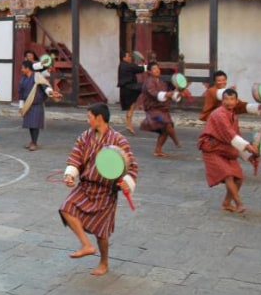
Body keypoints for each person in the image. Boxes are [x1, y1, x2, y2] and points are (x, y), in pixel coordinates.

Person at [60, 103, 138, 276]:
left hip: (106, 191)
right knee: (66, 207)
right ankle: (86, 245)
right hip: (86, 186)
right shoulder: (84, 137)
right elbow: (75, 157)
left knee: (101, 232)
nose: (88, 121)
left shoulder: (118, 140)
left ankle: (104, 262)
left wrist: (127, 181)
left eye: (89, 117)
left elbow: (131, 166)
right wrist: (70, 175)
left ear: (99, 118)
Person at [198, 89, 261, 213]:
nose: (229, 102)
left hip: (227, 149)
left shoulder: (234, 116)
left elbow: (236, 137)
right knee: (228, 175)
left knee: (238, 178)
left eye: (232, 99)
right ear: (222, 100)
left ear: (236, 101)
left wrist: (249, 157)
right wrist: (249, 148)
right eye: (226, 99)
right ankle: (239, 204)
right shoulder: (218, 114)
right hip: (212, 149)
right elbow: (230, 134)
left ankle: (226, 203)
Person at [138, 62, 182, 157]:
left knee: (165, 129)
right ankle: (176, 141)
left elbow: (167, 94)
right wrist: (167, 94)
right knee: (166, 124)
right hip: (153, 111)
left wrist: (174, 94)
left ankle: (158, 150)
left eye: (158, 68)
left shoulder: (162, 83)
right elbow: (153, 93)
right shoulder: (149, 82)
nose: (157, 70)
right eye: (154, 68)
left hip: (162, 110)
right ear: (149, 71)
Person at [19, 60, 59, 151]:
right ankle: (32, 141)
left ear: (27, 68)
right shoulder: (23, 78)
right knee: (30, 124)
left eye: (22, 68)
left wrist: (51, 92)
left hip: (36, 104)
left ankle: (34, 142)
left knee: (35, 124)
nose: (21, 69)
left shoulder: (37, 77)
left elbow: (45, 87)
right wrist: (21, 105)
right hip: (27, 104)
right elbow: (20, 91)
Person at [117, 52, 145, 134]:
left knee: (131, 107)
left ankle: (129, 125)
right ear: (124, 58)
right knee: (145, 86)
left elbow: (136, 68)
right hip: (129, 88)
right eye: (128, 56)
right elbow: (140, 69)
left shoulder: (123, 65)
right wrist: (148, 65)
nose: (130, 58)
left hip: (127, 89)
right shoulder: (126, 65)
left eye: (130, 56)